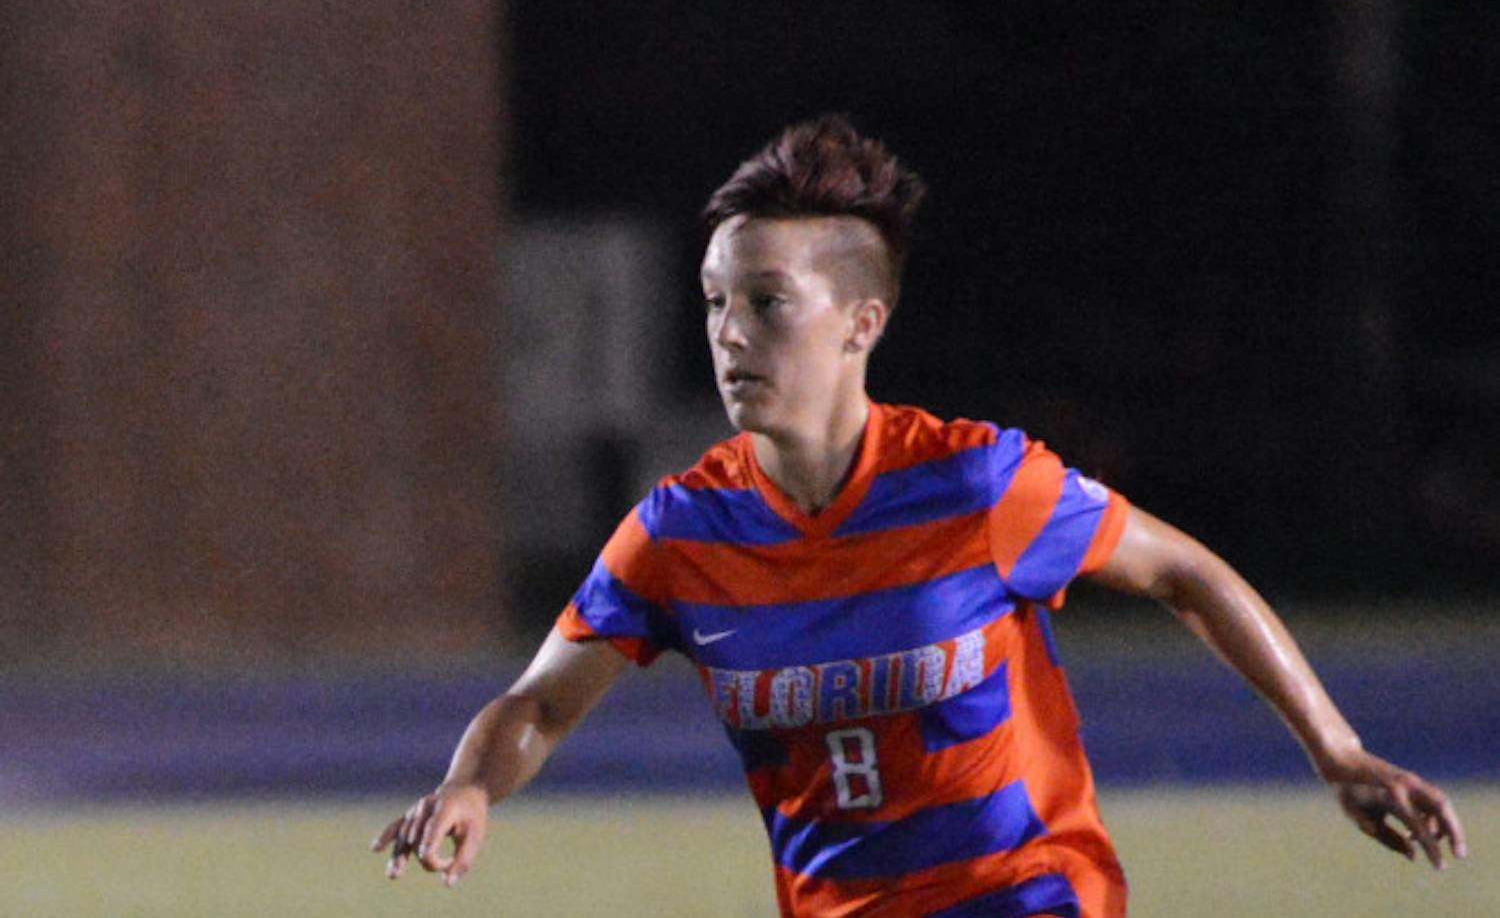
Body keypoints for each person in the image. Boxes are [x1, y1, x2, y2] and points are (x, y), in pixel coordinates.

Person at [373, 116, 1466, 917]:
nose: (729, 333)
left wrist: (1338, 750)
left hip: (1034, 899)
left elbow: (1187, 573)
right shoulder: (680, 534)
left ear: (862, 323)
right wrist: (472, 782)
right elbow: (541, 703)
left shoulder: (977, 486)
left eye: (766, 302)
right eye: (714, 301)